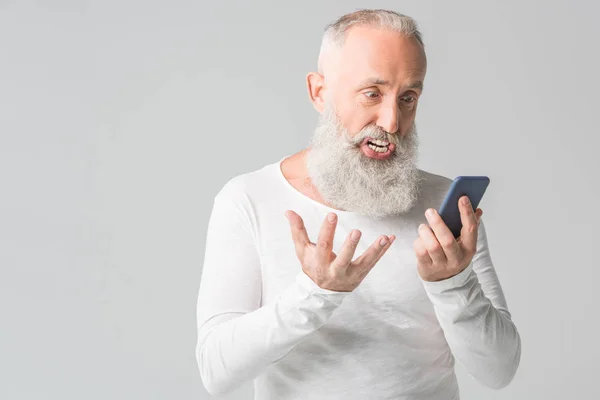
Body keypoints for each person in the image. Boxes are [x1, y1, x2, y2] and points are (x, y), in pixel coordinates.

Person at [195, 9, 521, 400]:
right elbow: (216, 371)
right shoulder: (248, 199)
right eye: (372, 93)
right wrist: (315, 293)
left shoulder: (444, 209)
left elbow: (499, 370)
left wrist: (454, 284)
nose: (392, 121)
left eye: (408, 98)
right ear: (319, 92)